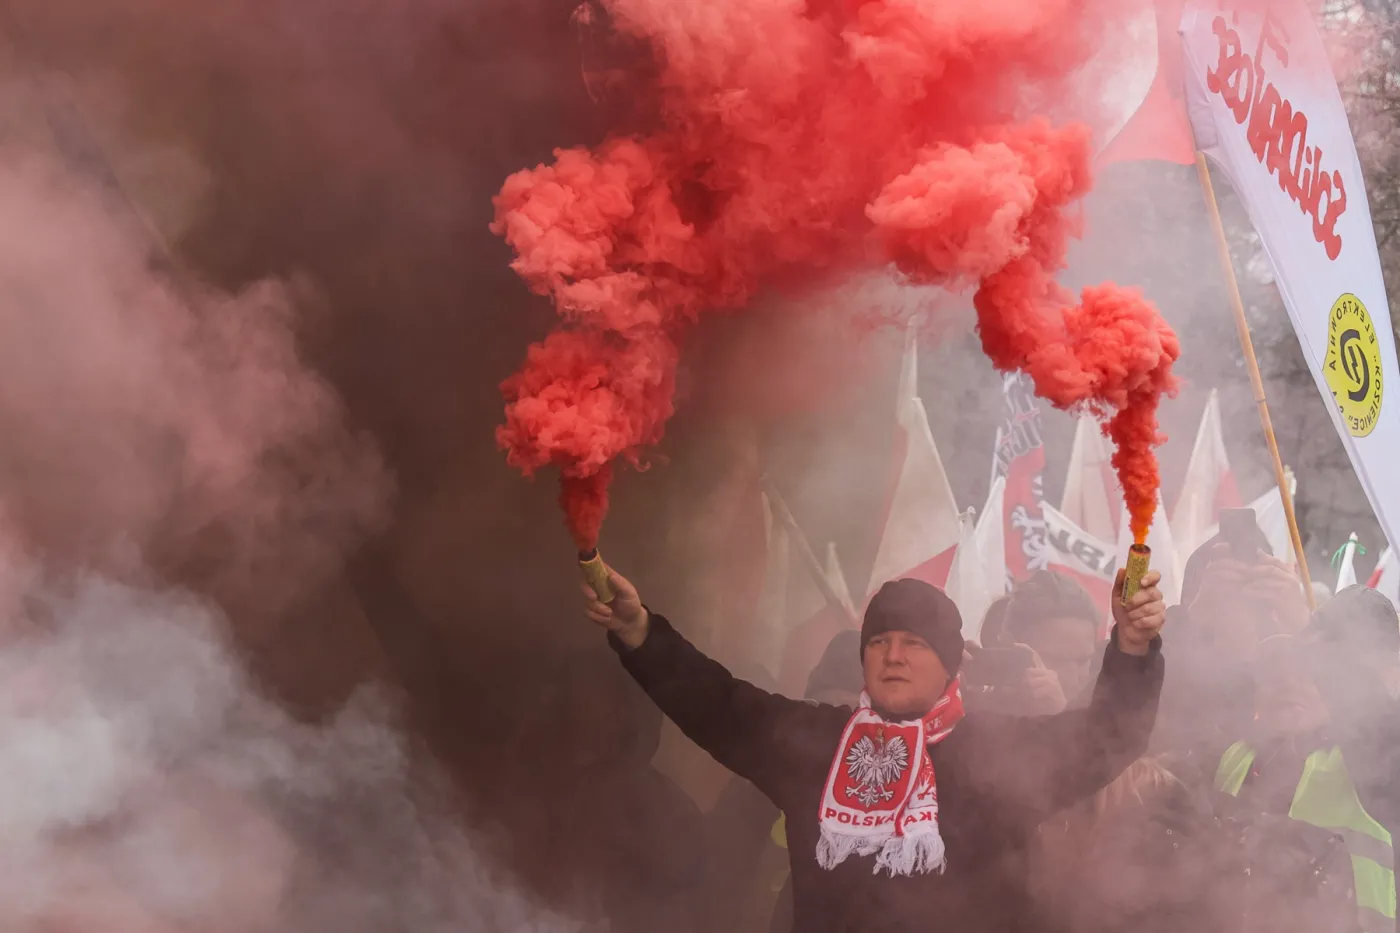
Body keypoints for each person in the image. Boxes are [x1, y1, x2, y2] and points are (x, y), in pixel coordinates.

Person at [583, 566, 1168, 933]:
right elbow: (718, 703)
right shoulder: (815, 743)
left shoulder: (996, 751)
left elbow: (1109, 736)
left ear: (950, 664)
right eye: (879, 641)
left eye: (915, 643)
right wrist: (639, 633)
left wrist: (1133, 647)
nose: (893, 656)